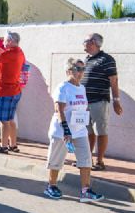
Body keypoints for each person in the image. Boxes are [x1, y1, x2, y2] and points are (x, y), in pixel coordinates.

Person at [45, 58, 104, 203]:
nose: (81, 72)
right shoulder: (63, 87)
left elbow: (81, 107)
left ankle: (86, 191)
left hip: (79, 131)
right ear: (69, 71)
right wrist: (66, 130)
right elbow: (59, 109)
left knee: (86, 159)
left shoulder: (81, 88)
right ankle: (51, 186)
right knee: (56, 160)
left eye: (83, 69)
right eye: (78, 69)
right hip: (62, 131)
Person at [82, 33, 123, 171]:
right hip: (84, 103)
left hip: (99, 101)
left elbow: (114, 81)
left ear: (93, 42)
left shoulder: (107, 59)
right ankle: (87, 159)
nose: (83, 43)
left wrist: (116, 101)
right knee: (87, 131)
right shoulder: (86, 59)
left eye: (85, 41)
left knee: (101, 131)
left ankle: (100, 162)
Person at [0, 32, 25, 154]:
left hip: (5, 91)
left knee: (4, 121)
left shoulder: (11, 53)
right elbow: (4, 55)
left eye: (5, 41)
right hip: (14, 91)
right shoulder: (17, 51)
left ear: (10, 41)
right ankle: (13, 145)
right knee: (11, 120)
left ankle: (3, 147)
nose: (3, 42)